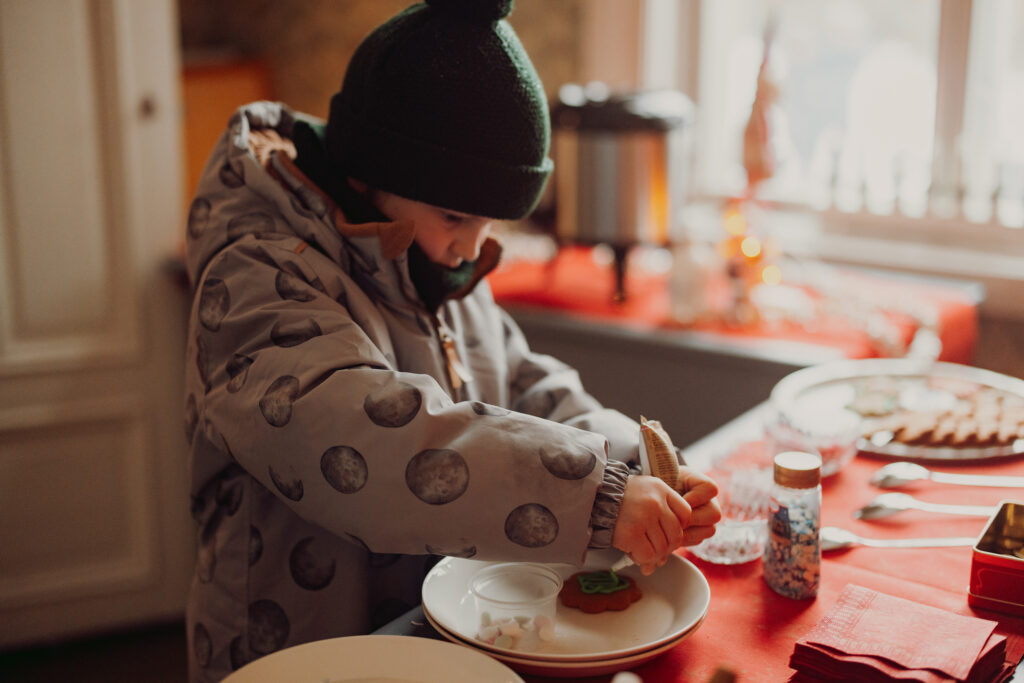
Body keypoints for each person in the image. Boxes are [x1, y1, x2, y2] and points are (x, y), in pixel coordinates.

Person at [182, 0, 720, 680]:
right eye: (456, 215)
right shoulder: (255, 268)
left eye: (490, 223)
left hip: (417, 635)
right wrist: (594, 494)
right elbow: (359, 432)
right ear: (369, 168)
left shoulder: (430, 251)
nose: (469, 247)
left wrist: (632, 467)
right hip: (292, 646)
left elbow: (521, 382)